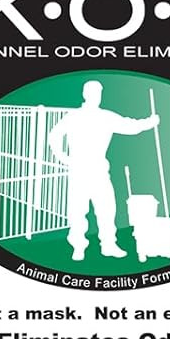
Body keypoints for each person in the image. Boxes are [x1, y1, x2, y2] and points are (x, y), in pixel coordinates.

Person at [48, 81, 159, 260]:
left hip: (96, 171)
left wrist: (150, 122)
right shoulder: (76, 116)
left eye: (98, 93)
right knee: (78, 211)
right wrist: (63, 158)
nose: (96, 96)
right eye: (93, 92)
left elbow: (130, 126)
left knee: (106, 209)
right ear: (86, 94)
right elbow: (54, 136)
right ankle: (79, 247)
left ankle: (108, 245)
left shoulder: (104, 117)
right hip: (80, 171)